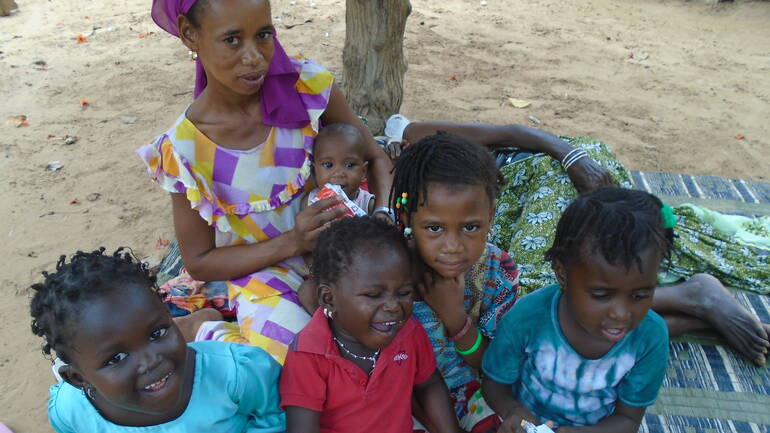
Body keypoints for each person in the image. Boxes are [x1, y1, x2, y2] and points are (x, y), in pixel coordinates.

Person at [138, 0, 393, 363]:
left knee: (392, 346)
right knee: (297, 365)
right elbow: (200, 262)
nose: (254, 56)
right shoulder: (185, 150)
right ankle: (206, 328)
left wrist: (382, 215)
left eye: (263, 35)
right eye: (232, 40)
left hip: (342, 256)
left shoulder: (309, 91)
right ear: (189, 33)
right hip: (262, 273)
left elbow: (376, 155)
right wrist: (292, 242)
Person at [396, 122, 770, 366]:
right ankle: (687, 311)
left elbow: (507, 130)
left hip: (555, 170)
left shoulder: (419, 144)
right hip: (512, 206)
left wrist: (569, 155)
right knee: (539, 310)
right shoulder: (426, 211)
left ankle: (688, 297)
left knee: (553, 285)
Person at [29, 248, 285, 433]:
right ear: (78, 379)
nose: (150, 361)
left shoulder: (236, 372)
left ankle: (202, 323)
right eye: (116, 358)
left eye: (157, 333)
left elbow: (276, 415)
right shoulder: (72, 410)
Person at [482, 187, 672, 433]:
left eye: (639, 296)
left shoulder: (650, 338)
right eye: (601, 295)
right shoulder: (527, 318)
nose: (621, 314)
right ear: (562, 274)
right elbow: (494, 385)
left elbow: (628, 419)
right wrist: (512, 411)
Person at [389, 132, 520, 432]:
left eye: (470, 227)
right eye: (434, 228)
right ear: (407, 216)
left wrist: (455, 318)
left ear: (491, 215)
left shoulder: (497, 272)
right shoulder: (386, 268)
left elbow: (493, 365)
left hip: (469, 391)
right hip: (397, 392)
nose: (452, 246)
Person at [279, 217, 461, 433]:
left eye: (404, 292)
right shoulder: (308, 354)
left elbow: (429, 384)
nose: (394, 306)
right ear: (329, 299)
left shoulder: (408, 332)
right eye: (374, 295)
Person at [303, 122, 375, 214]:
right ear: (315, 170)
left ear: (363, 172)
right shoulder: (310, 203)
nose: (338, 173)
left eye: (349, 165)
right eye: (328, 165)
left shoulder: (368, 204)